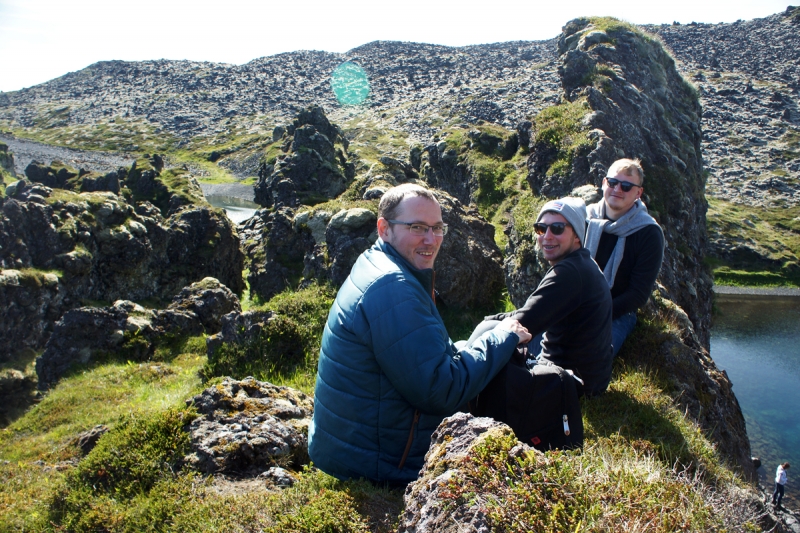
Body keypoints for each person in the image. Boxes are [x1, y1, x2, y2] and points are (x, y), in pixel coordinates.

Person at [308, 183, 531, 485]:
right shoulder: (393, 287)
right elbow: (440, 390)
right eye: (417, 227)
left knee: (489, 332)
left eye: (437, 228)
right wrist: (503, 339)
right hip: (381, 460)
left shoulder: (378, 262)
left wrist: (489, 339)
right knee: (498, 340)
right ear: (384, 228)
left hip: (355, 443)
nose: (431, 240)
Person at [482, 197, 613, 396]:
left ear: (577, 235)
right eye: (541, 229)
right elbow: (533, 313)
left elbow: (522, 323)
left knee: (490, 339)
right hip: (589, 377)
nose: (547, 236)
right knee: (491, 326)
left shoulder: (569, 273)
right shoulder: (583, 263)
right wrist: (490, 320)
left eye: (558, 228)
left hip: (571, 382)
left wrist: (484, 326)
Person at [585, 158, 664, 357]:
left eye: (627, 186)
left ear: (638, 193)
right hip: (574, 301)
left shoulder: (648, 233)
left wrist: (595, 313)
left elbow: (638, 294)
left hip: (617, 313)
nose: (617, 189)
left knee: (593, 357)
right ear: (604, 183)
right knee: (529, 341)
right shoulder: (584, 218)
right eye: (613, 182)